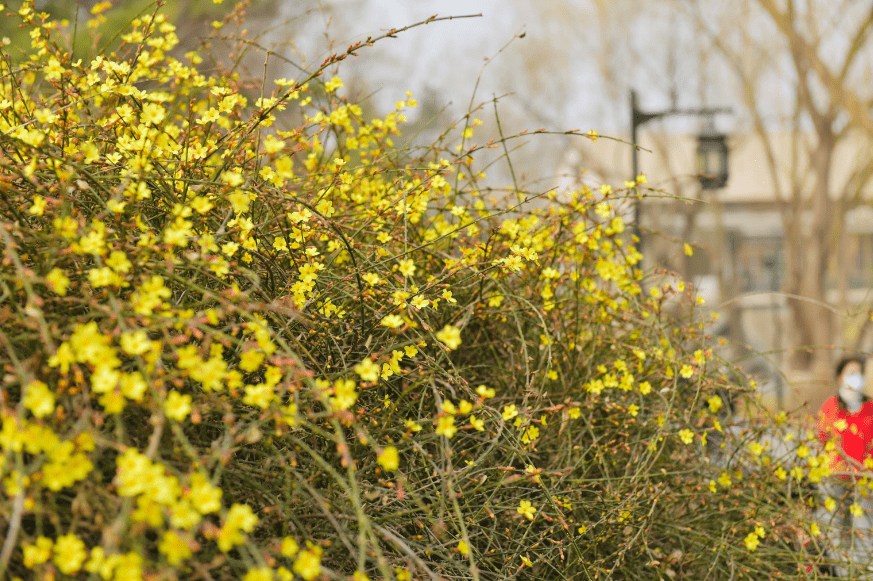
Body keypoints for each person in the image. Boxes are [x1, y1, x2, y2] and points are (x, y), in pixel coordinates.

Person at [815, 356, 873, 576]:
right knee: (836, 529)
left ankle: (866, 573)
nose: (855, 378)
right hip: (836, 477)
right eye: (850, 373)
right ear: (840, 377)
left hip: (865, 481)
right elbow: (822, 438)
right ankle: (842, 572)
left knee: (863, 529)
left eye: (858, 373)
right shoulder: (831, 407)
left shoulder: (870, 408)